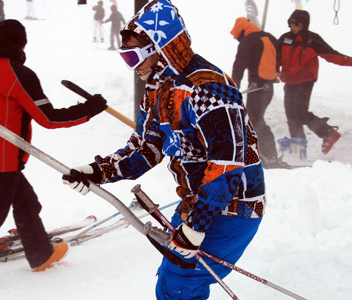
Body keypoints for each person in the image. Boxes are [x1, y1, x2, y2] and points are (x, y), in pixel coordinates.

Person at [62, 1, 265, 299]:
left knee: (181, 281)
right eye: (125, 58)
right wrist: (97, 171)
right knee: (171, 279)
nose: (134, 67)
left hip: (234, 207)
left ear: (162, 48)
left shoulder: (210, 88)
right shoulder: (158, 91)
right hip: (199, 206)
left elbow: (227, 164)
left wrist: (196, 227)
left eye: (135, 56)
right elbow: (146, 149)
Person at [0, 19, 108, 292]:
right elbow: (49, 118)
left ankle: (41, 254)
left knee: (26, 203)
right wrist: (88, 109)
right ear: (20, 44)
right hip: (4, 158)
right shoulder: (19, 74)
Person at [277, 10, 352, 156]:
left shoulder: (312, 40)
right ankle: (298, 150)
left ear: (304, 25)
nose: (293, 27)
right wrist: (274, 70)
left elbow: (332, 55)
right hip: (289, 81)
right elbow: (274, 57)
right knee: (291, 115)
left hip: (305, 81)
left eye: (296, 24)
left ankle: (329, 133)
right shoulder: (284, 39)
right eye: (290, 23)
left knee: (299, 112)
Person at [230, 17, 285, 168]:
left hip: (257, 85)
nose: (240, 40)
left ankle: (269, 155)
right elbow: (279, 57)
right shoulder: (270, 37)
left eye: (239, 37)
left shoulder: (248, 41)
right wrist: (274, 72)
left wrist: (233, 88)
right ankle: (265, 154)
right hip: (268, 87)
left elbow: (239, 66)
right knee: (256, 118)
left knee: (255, 119)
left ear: (242, 31)